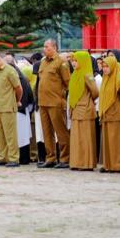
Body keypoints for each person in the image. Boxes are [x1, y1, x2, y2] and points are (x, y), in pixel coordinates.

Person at [37, 39, 71, 169]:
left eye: (47, 47)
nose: (44, 49)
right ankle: (50, 157)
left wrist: (62, 98)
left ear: (54, 47)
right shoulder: (43, 62)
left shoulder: (61, 62)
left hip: (56, 102)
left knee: (60, 131)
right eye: (44, 46)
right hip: (43, 102)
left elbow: (68, 83)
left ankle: (65, 158)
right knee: (46, 132)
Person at [0, 53, 22, 167]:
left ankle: (14, 158)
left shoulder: (10, 70)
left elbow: (18, 88)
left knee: (10, 135)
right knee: (0, 135)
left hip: (8, 107)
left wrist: (17, 100)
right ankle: (3, 157)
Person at [67, 51, 98, 171]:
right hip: (75, 109)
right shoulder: (75, 75)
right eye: (73, 61)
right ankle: (77, 162)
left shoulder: (87, 75)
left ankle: (86, 163)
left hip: (85, 109)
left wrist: (87, 100)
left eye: (76, 61)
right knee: (76, 138)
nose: (74, 63)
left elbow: (95, 92)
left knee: (85, 138)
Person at [99, 56, 120, 173]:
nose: (104, 69)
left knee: (117, 142)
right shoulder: (106, 79)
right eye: (103, 66)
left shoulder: (119, 79)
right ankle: (109, 164)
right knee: (108, 142)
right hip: (107, 115)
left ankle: (119, 165)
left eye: (107, 66)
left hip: (117, 115)